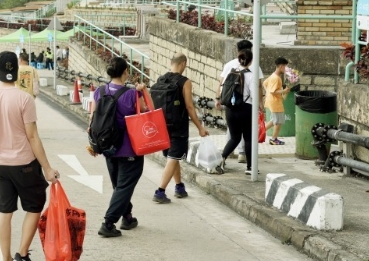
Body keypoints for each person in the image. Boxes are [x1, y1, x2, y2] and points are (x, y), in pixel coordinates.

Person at [0, 51, 59, 261]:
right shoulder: (24, 99)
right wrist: (47, 168)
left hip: (0, 164)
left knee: (5, 212)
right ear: (17, 70)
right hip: (25, 164)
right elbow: (32, 136)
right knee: (34, 206)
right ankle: (22, 255)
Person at [91, 56, 150, 238]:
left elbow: (92, 119)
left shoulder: (99, 91)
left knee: (120, 186)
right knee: (124, 186)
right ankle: (108, 223)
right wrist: (144, 92)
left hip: (108, 148)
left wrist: (94, 145)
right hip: (129, 149)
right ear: (125, 72)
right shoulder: (132, 94)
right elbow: (149, 113)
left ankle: (128, 217)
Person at [152, 54, 209, 204]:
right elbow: (189, 107)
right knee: (173, 158)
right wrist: (200, 128)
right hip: (178, 127)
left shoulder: (161, 80)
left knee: (173, 157)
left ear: (171, 63)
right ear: (183, 64)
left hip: (162, 126)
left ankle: (179, 187)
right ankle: (160, 192)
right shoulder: (185, 82)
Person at [215, 39, 263, 163]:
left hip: (230, 106)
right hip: (246, 107)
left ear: (238, 51)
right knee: (248, 137)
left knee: (233, 135)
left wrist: (218, 98)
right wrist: (260, 104)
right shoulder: (254, 68)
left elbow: (221, 83)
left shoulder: (229, 65)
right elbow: (258, 88)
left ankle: (222, 159)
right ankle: (249, 165)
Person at [263, 57, 292, 146]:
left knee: (275, 120)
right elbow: (273, 91)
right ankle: (273, 139)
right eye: (285, 67)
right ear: (281, 66)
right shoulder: (277, 78)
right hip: (275, 102)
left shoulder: (273, 75)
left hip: (272, 100)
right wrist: (284, 91)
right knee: (278, 121)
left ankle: (257, 133)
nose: (286, 69)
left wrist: (268, 93)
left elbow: (265, 83)